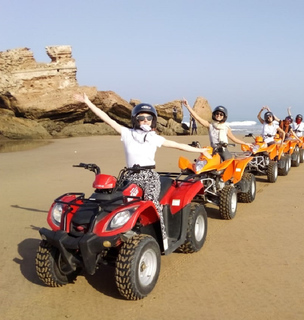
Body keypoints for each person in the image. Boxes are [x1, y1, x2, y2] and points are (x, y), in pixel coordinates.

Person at [74, 93, 210, 248]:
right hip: (129, 176)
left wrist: (200, 151)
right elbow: (107, 118)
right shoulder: (127, 133)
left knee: (151, 202)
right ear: (135, 119)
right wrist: (87, 102)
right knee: (115, 201)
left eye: (148, 118)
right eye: (141, 118)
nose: (145, 120)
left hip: (149, 177)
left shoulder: (154, 137)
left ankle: (162, 240)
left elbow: (177, 145)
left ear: (153, 121)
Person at [182, 98, 252, 161]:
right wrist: (187, 106)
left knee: (229, 162)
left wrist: (245, 143)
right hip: (213, 150)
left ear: (224, 116)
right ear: (214, 114)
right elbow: (197, 118)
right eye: (217, 113)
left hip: (223, 150)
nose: (219, 115)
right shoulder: (210, 125)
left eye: (221, 114)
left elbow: (234, 139)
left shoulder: (225, 127)